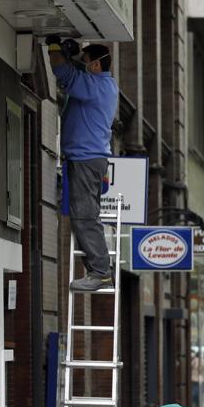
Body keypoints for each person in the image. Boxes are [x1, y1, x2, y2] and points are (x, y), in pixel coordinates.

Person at [46, 36, 119, 292]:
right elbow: (75, 72)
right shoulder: (101, 85)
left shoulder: (96, 87)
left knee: (85, 216)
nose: (82, 64)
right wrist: (73, 57)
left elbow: (61, 70)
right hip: (89, 158)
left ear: (96, 66)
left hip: (86, 160)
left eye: (85, 62)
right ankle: (97, 270)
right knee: (84, 215)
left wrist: (54, 46)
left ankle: (100, 272)